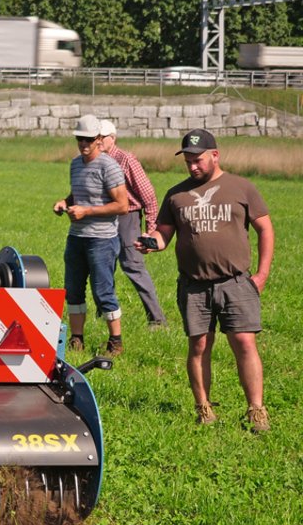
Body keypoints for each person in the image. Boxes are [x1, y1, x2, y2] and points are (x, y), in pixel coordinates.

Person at [138, 129, 274, 432]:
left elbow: (266, 229)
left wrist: (261, 274)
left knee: (244, 344)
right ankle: (204, 408)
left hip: (236, 282)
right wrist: (151, 242)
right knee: (199, 346)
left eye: (197, 160)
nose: (192, 166)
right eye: (188, 161)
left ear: (215, 155)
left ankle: (256, 409)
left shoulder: (241, 187)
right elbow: (164, 235)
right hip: (194, 284)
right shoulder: (176, 194)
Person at [52, 114, 129, 356]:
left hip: (102, 239)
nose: (83, 144)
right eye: (79, 139)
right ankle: (77, 339)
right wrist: (65, 202)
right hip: (76, 237)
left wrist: (88, 211)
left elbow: (122, 205)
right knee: (73, 289)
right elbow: (78, 193)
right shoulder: (75, 164)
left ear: (98, 140)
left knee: (102, 291)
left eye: (88, 140)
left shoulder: (110, 167)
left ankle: (115, 341)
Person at [99, 120, 167, 327]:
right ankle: (104, 316)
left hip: (127, 218)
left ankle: (157, 320)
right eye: (96, 137)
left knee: (133, 266)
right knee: (101, 267)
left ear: (113, 138)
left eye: (103, 137)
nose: (99, 141)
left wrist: (151, 231)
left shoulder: (126, 159)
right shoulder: (94, 160)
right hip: (103, 218)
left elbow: (149, 196)